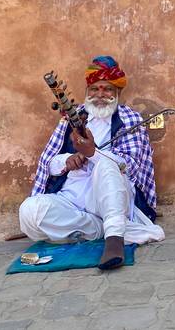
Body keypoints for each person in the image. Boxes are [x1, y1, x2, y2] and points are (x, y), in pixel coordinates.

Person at [19, 55, 164, 270]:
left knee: (107, 165)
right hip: (73, 198)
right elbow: (48, 163)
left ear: (117, 93)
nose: (100, 95)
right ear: (87, 92)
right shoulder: (72, 118)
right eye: (95, 89)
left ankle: (114, 239)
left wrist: (93, 154)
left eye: (107, 89)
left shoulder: (130, 120)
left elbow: (130, 166)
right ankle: (102, 228)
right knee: (30, 211)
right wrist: (67, 160)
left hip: (111, 196)